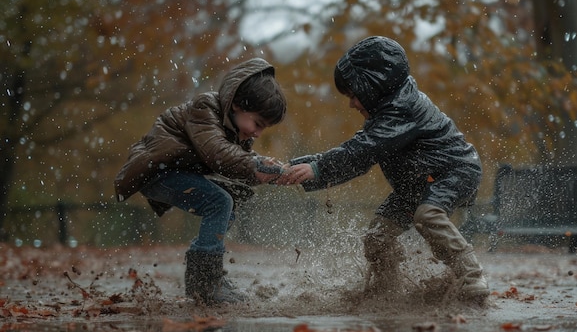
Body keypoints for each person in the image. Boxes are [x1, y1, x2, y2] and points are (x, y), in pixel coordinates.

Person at [276, 36, 489, 302]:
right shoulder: (386, 112)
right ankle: (387, 291)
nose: (352, 104)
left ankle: (471, 277)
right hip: (417, 182)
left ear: (372, 87)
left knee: (428, 214)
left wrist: (318, 169)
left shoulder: (404, 108)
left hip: (455, 170)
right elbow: (359, 149)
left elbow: (364, 150)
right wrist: (298, 167)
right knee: (377, 236)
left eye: (354, 96)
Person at [114, 58, 287, 305]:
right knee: (219, 202)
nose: (257, 133)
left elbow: (238, 164)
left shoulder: (236, 129)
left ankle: (209, 275)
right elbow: (216, 152)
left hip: (178, 173)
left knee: (228, 208)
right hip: (157, 172)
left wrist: (266, 173)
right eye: (257, 123)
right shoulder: (205, 107)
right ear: (236, 104)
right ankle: (204, 282)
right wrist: (255, 166)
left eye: (263, 128)